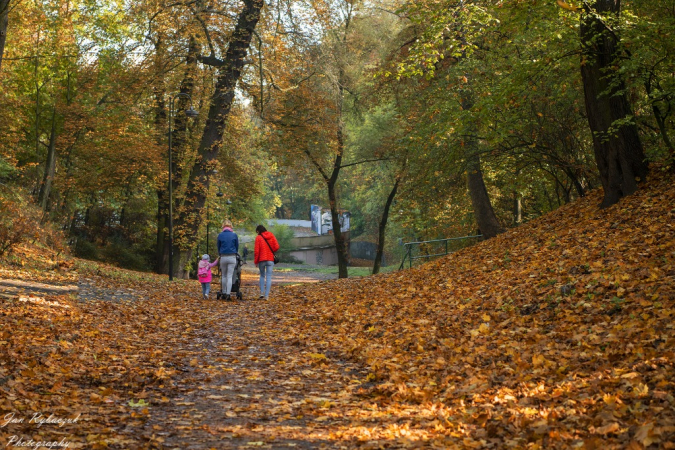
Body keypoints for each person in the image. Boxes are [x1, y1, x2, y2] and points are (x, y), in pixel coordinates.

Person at [254, 225, 279, 300]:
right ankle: (266, 295)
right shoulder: (271, 235)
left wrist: (256, 261)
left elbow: (256, 251)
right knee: (268, 277)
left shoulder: (258, 238)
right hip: (270, 259)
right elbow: (277, 246)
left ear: (258, 231)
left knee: (262, 276)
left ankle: (262, 293)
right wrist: (271, 251)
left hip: (262, 259)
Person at [217, 219, 239, 301]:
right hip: (232, 256)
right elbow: (237, 246)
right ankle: (228, 294)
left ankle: (223, 292)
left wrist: (220, 253)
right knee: (230, 276)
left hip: (223, 256)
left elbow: (218, 246)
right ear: (231, 226)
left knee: (224, 275)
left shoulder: (220, 235)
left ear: (223, 226)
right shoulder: (234, 235)